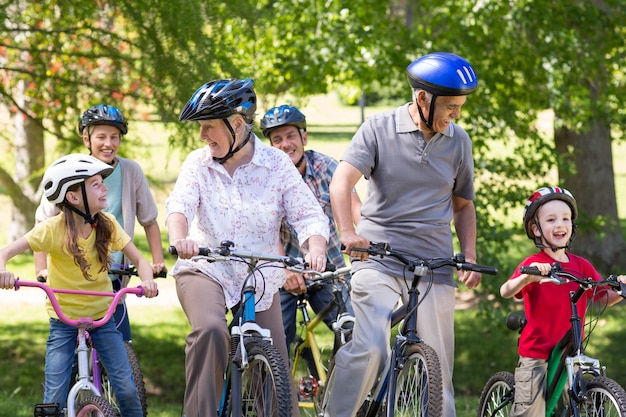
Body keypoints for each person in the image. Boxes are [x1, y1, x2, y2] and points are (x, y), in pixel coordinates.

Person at [324, 52, 482, 417]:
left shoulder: (459, 142)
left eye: (460, 106)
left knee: (438, 364)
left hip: (434, 264)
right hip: (377, 256)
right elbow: (341, 182)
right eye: (451, 106)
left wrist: (469, 254)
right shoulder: (378, 128)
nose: (456, 114)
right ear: (423, 99)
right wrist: (348, 233)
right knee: (372, 346)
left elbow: (463, 205)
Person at [166, 78, 330, 417]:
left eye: (209, 127)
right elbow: (179, 206)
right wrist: (179, 238)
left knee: (276, 372)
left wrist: (315, 248)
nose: (202, 136)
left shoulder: (276, 164)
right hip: (205, 267)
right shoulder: (198, 164)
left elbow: (308, 214)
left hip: (259, 275)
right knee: (211, 331)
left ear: (237, 125)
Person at [0, 154, 158, 416]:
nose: (104, 187)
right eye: (95, 184)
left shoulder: (107, 225)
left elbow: (140, 259)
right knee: (53, 397)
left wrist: (148, 279)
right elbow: (4, 253)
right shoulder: (50, 230)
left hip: (102, 318)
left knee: (128, 391)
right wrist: (3, 272)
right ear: (73, 197)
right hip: (63, 321)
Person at [34, 104, 166, 342]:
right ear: (87, 138)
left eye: (114, 137)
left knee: (119, 338)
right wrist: (41, 268)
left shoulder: (131, 171)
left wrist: (157, 262)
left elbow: (149, 220)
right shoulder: (71, 170)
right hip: (73, 269)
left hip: (114, 269)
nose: (109, 143)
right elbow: (44, 220)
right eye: (101, 137)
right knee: (70, 342)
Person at [500, 186, 626, 417]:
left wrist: (622, 288)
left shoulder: (581, 266)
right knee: (531, 411)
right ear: (535, 229)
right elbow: (505, 290)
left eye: (566, 218)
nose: (560, 224)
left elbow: (603, 297)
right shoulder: (534, 263)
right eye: (551, 219)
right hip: (536, 352)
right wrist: (528, 277)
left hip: (570, 349)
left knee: (582, 404)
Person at [260, 104, 360, 353]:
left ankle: (345, 388)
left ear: (304, 137)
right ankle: (275, 389)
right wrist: (284, 269)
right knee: (274, 342)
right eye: (277, 139)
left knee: (355, 333)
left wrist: (366, 237)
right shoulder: (262, 177)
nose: (285, 144)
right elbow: (266, 229)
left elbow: (356, 207)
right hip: (282, 272)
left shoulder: (327, 168)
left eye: (291, 136)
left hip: (326, 269)